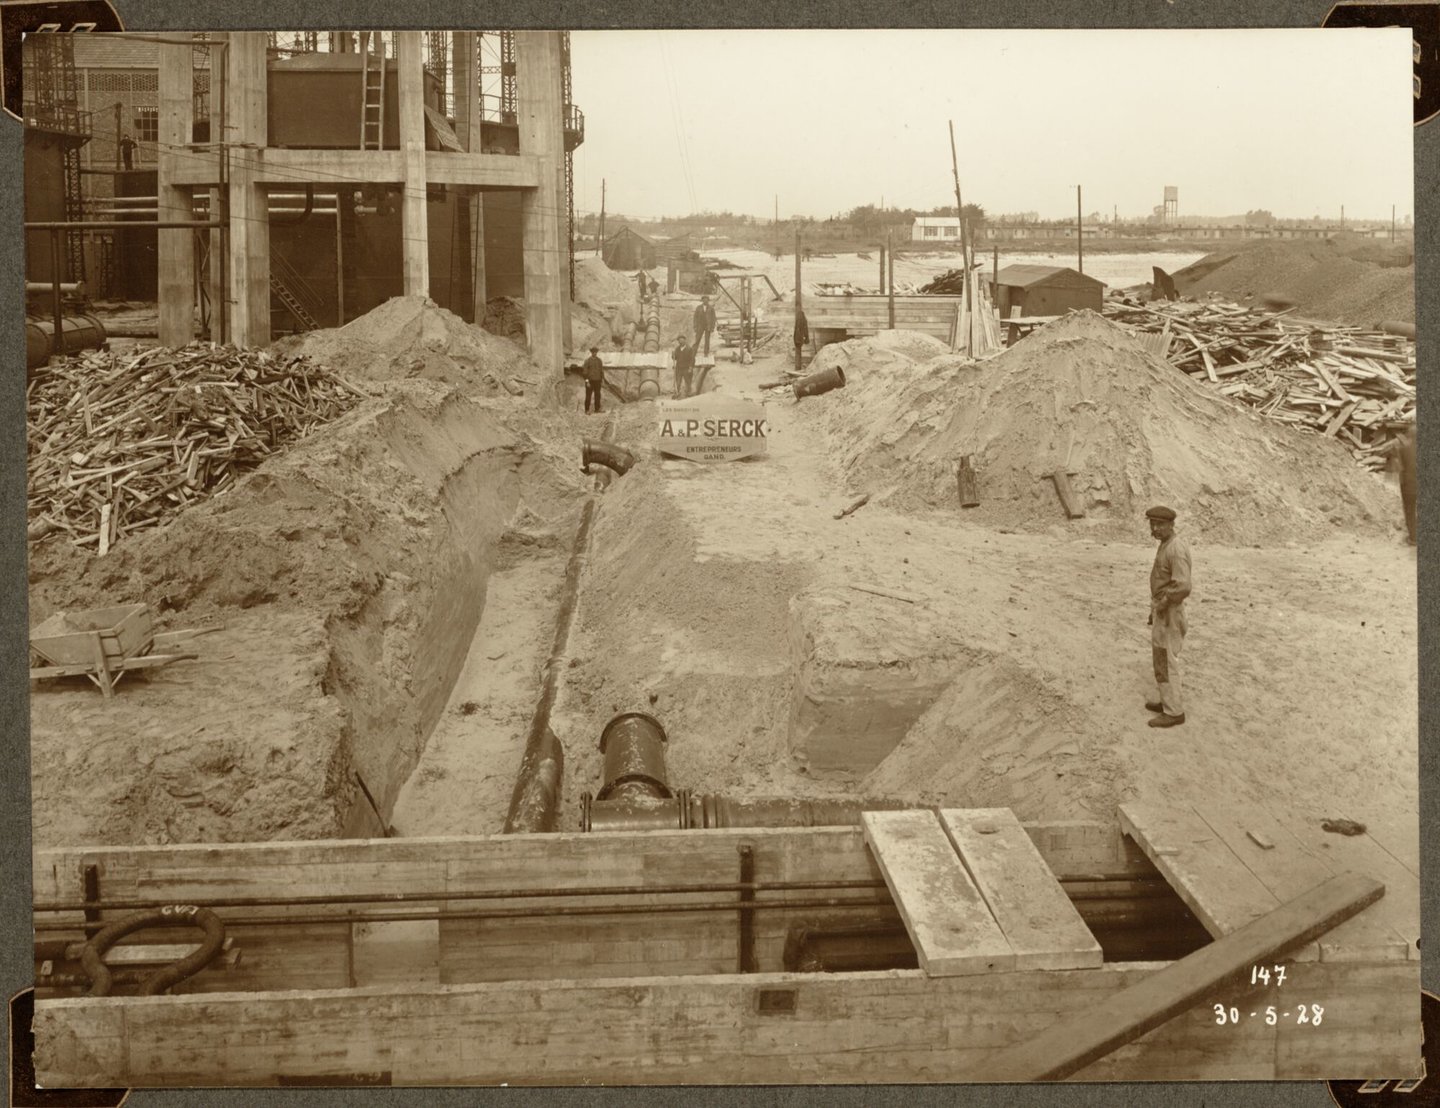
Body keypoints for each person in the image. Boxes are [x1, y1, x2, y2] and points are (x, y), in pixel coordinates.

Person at [1144, 505, 1191, 728]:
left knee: (1167, 660)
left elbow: (1182, 586)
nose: (1155, 528)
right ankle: (1167, 701)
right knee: (1160, 658)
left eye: (1160, 524)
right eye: (1153, 524)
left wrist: (1162, 605)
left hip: (1170, 612)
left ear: (1171, 525)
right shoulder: (1165, 545)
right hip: (1162, 610)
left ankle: (1174, 712)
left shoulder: (1175, 549)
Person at [581, 346, 605, 414]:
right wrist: (587, 381)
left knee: (597, 395)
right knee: (588, 396)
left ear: (597, 352)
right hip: (590, 381)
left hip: (598, 381)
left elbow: (601, 371)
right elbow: (584, 372)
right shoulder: (587, 361)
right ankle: (587, 410)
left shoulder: (599, 361)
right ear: (591, 352)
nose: (594, 353)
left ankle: (597, 409)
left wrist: (602, 380)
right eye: (593, 352)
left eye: (595, 352)